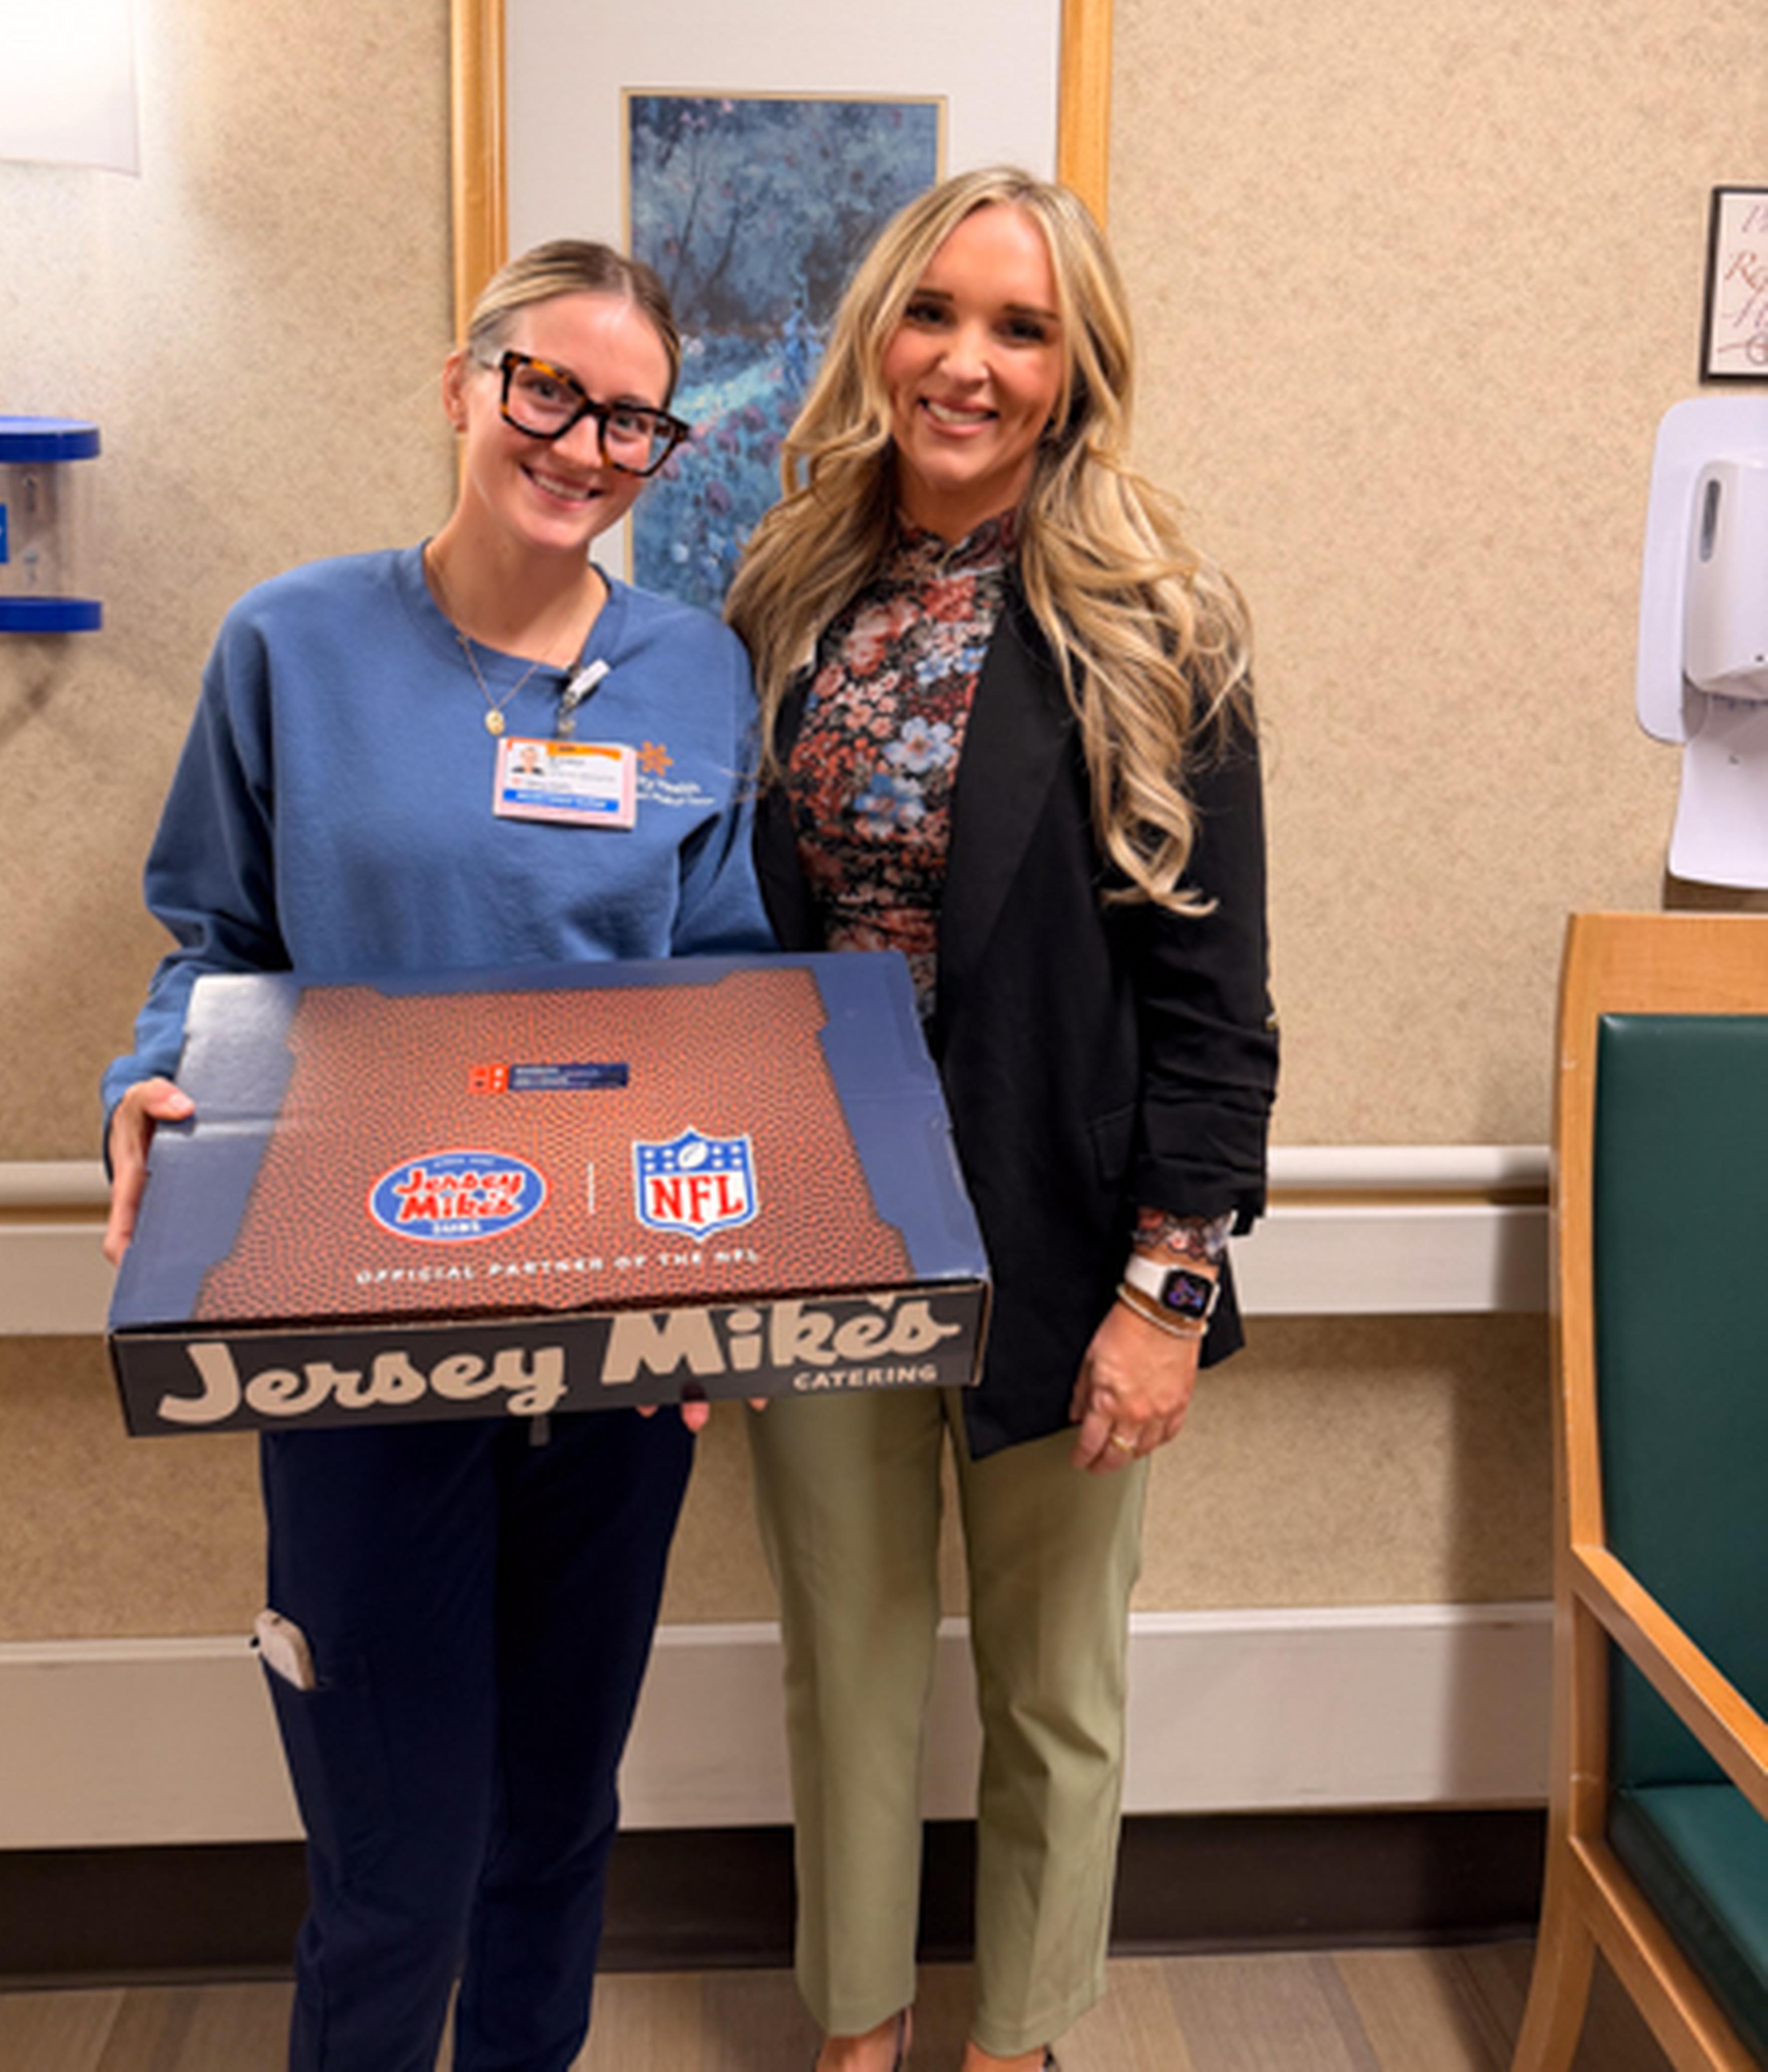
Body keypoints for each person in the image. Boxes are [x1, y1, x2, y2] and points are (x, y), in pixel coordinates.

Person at [102, 240, 770, 2072]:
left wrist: (732, 1274)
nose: (582, 445)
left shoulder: (696, 671)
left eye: (631, 420)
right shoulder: (291, 644)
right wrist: (149, 1088)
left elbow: (722, 992)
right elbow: (214, 942)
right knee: (397, 1868)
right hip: (359, 1330)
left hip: (616, 1348)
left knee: (555, 1827)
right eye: (547, 389)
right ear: (464, 385)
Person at [726, 169, 1278, 2072]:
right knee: (848, 1665)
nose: (969, 363)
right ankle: (857, 2032)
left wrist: (1167, 1295)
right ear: (878, 335)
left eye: (1021, 328)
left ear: (1075, 371)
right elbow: (732, 938)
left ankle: (1019, 2039)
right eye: (936, 313)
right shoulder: (784, 596)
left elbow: (1217, 1004)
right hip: (822, 1224)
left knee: (1053, 1688)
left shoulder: (1158, 625)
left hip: (1065, 1235)